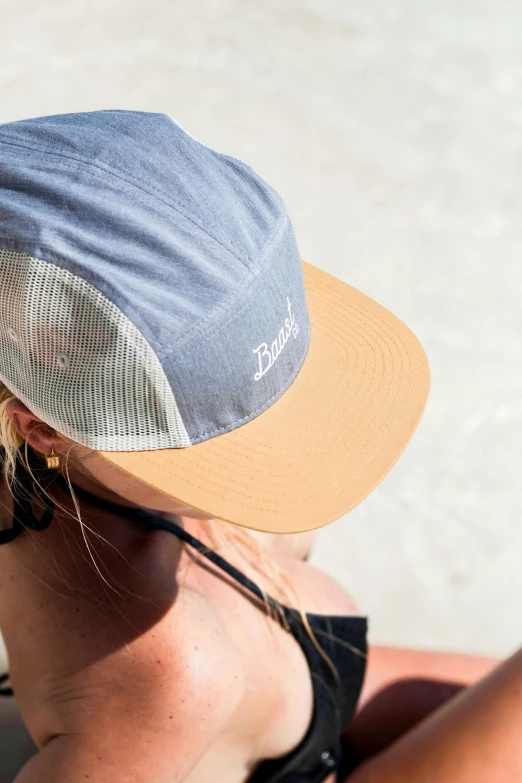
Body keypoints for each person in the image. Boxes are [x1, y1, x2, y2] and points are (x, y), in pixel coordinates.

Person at [0, 109, 509, 783]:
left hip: (304, 689)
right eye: (224, 448)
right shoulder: (160, 680)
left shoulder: (55, 459)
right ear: (45, 428)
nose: (287, 450)